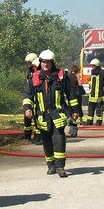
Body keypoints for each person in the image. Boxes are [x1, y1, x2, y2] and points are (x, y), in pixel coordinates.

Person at [23, 49, 76, 177]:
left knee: (59, 139)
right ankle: (51, 165)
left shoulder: (61, 77)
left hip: (58, 114)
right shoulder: (34, 78)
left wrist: (75, 111)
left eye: (48, 62)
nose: (45, 64)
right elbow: (27, 95)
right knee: (46, 141)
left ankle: (60, 166)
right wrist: (27, 108)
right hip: (42, 116)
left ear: (52, 63)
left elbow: (71, 94)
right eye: (43, 62)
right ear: (40, 62)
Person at [82, 58, 104, 126]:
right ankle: (89, 121)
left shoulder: (102, 72)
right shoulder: (92, 72)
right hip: (92, 95)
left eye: (93, 66)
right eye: (92, 66)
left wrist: (103, 83)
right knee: (90, 109)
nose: (92, 67)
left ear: (97, 66)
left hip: (99, 95)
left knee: (99, 110)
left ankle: (98, 122)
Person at [21, 52, 38, 139]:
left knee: (37, 117)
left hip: (37, 98)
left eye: (29, 63)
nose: (28, 65)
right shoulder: (29, 72)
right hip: (30, 96)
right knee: (27, 116)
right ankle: (27, 135)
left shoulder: (38, 71)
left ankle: (38, 135)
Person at [66, 64, 83, 137]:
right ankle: (74, 126)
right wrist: (79, 78)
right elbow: (80, 84)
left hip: (69, 95)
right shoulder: (76, 76)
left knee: (71, 110)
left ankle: (71, 122)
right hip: (76, 95)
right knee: (77, 110)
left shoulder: (68, 76)